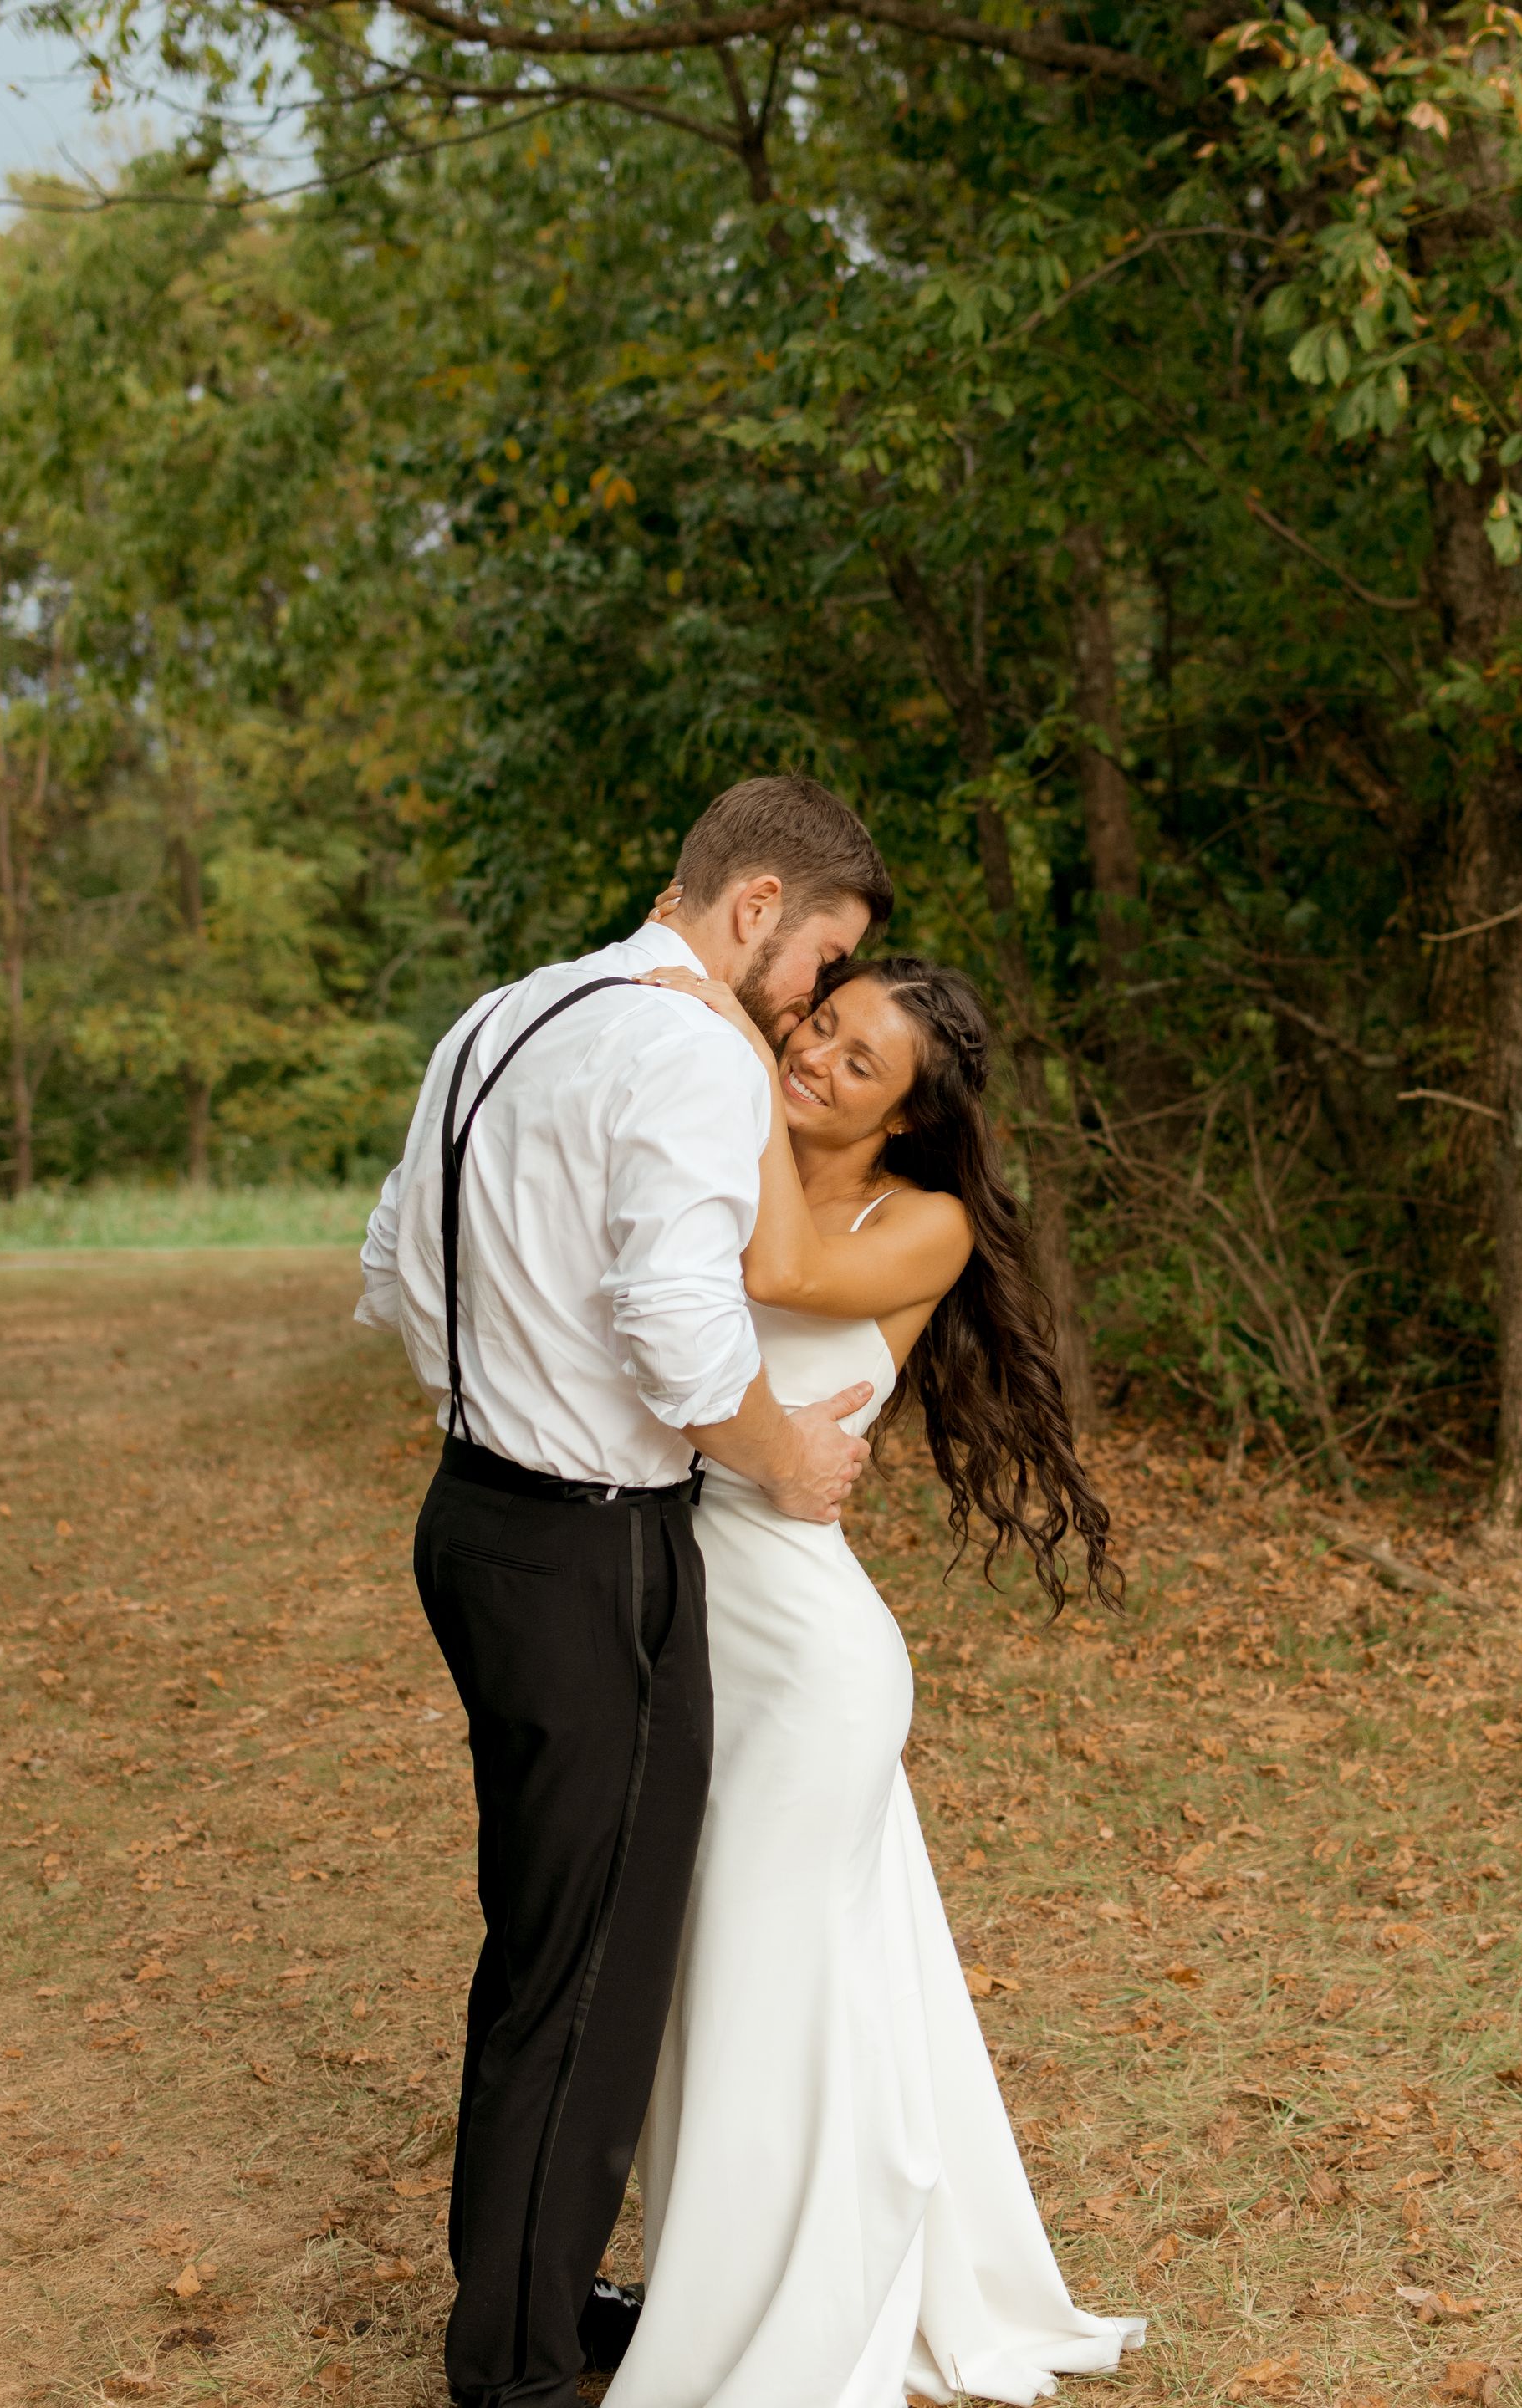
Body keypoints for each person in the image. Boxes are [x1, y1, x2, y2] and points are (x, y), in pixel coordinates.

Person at [355, 775, 893, 2408]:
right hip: (593, 1546)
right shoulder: (684, 1047)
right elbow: (674, 1323)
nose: (809, 1001)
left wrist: (507, 1390)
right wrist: (782, 1457)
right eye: (821, 959)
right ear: (753, 911)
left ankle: (528, 2293)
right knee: (588, 1967)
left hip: (478, 1519)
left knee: (545, 1947)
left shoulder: (502, 1020)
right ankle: (516, 2365)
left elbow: (389, 1266)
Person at [608, 946, 1146, 2408]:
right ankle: (727, 2284)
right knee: (740, 1983)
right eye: (819, 1026)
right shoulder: (724, 1146)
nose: (819, 1061)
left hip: (809, 1653)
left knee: (774, 1978)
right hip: (686, 1614)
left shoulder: (929, 1222)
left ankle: (789, 2326)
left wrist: (722, 1020)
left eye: (861, 1064)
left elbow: (778, 1277)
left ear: (907, 1116)